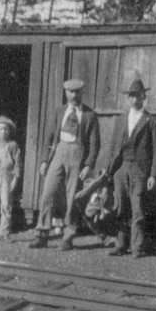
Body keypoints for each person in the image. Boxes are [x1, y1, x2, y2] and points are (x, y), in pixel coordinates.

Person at [31, 78, 100, 250]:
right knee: (48, 192)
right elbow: (49, 138)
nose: (74, 95)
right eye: (71, 92)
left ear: (82, 93)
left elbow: (94, 144)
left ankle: (68, 237)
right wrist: (45, 160)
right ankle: (42, 234)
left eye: (77, 92)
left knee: (72, 197)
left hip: (78, 155)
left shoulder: (90, 115)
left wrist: (88, 165)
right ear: (66, 93)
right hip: (59, 152)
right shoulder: (59, 111)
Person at [104, 79, 156, 258]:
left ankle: (137, 247)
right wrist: (109, 170)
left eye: (137, 95)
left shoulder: (151, 121)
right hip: (121, 167)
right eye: (131, 96)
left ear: (143, 97)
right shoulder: (122, 118)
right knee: (121, 206)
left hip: (140, 170)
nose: (134, 99)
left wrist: (154, 175)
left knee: (138, 209)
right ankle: (121, 244)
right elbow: (114, 146)